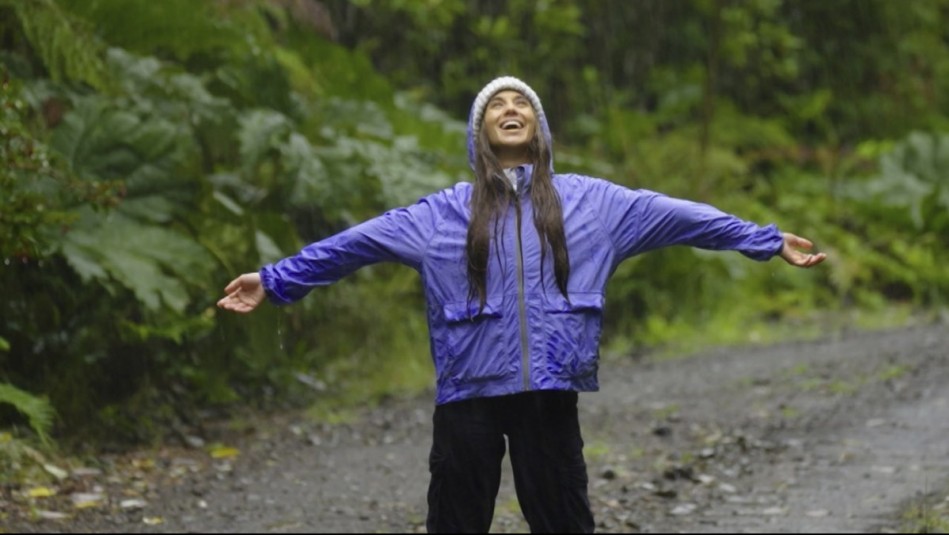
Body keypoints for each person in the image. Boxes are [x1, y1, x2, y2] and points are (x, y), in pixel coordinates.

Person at [217, 76, 827, 533]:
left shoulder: (596, 205)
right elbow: (354, 244)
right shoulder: (441, 214)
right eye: (496, 107)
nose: (510, 110)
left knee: (565, 521)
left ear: (539, 126)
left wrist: (767, 240)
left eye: (522, 104)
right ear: (479, 132)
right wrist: (275, 280)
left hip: (549, 396)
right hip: (468, 399)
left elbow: (684, 217)